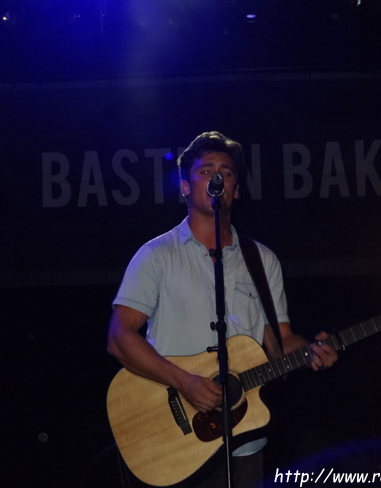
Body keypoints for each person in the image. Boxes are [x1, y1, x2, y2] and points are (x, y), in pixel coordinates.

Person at [107, 131, 338, 488]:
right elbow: (120, 338)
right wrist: (184, 382)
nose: (218, 177)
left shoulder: (262, 261)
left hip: (243, 442)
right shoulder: (156, 256)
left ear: (236, 189)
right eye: (206, 171)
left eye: (227, 172)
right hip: (176, 445)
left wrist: (311, 352)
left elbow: (280, 341)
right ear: (185, 187)